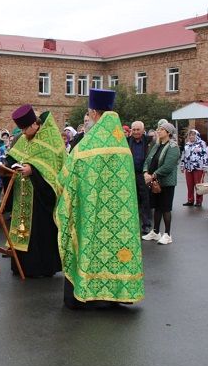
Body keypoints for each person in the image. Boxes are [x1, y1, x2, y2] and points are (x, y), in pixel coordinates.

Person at [56, 88, 144, 309]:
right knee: (116, 249)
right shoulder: (122, 144)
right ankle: (117, 293)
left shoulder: (89, 145)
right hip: (120, 216)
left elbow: (67, 176)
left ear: (94, 113)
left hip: (92, 210)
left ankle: (89, 293)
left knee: (92, 246)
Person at [6, 105, 65, 278]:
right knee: (22, 229)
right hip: (22, 193)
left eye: (25, 129)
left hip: (41, 197)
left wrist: (33, 170)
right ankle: (21, 265)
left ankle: (42, 267)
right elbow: (13, 156)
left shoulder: (50, 138)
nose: (23, 133)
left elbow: (54, 167)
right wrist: (8, 166)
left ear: (34, 124)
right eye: (21, 129)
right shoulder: (24, 138)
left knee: (41, 231)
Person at [142, 122, 180, 245]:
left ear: (168, 132)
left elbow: (168, 166)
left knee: (166, 208)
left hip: (166, 183)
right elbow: (148, 160)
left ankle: (168, 234)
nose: (158, 131)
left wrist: (152, 175)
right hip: (154, 182)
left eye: (162, 129)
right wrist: (145, 173)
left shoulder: (173, 147)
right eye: (158, 128)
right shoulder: (157, 145)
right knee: (157, 207)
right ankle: (156, 232)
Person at [128, 121, 152, 235]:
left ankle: (146, 224)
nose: (136, 132)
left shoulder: (150, 141)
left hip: (143, 174)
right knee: (131, 200)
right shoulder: (127, 142)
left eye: (138, 129)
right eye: (134, 129)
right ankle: (132, 226)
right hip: (130, 175)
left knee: (145, 200)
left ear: (143, 130)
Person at [180, 129, 208, 207]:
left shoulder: (202, 143)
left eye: (193, 135)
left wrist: (205, 166)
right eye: (190, 135)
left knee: (198, 185)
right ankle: (190, 200)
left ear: (197, 135)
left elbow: (205, 155)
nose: (191, 136)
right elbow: (184, 155)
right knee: (189, 185)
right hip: (188, 167)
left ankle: (199, 201)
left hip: (198, 167)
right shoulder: (187, 144)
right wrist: (182, 165)